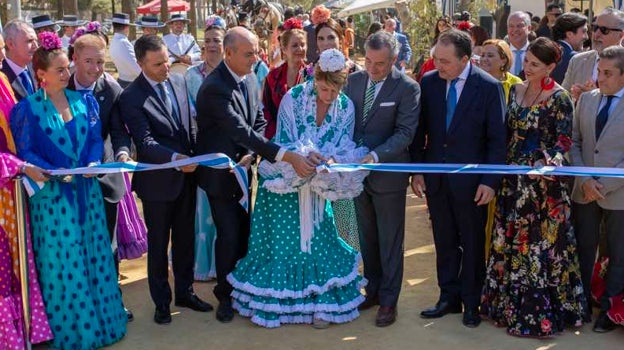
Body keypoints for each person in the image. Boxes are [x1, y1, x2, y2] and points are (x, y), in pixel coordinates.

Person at [228, 48, 368, 329]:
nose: (328, 96)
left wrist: (330, 158)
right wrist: (305, 156)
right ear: (315, 79)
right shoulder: (293, 98)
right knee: (286, 244)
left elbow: (343, 144)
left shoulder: (347, 107)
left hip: (321, 186)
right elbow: (283, 141)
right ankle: (279, 303)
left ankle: (321, 303)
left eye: (334, 91)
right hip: (287, 182)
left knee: (321, 241)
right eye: (324, 88)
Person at [10, 31, 127, 349]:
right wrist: (54, 172)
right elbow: (26, 151)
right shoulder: (26, 110)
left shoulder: (84, 100)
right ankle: (73, 332)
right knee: (64, 263)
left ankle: (105, 323)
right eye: (60, 69)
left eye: (67, 68)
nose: (67, 74)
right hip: (52, 200)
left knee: (94, 255)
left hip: (86, 194)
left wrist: (90, 163)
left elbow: (93, 140)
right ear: (41, 74)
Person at [195, 26, 316, 323]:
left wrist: (255, 152)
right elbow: (239, 130)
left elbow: (258, 121)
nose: (255, 58)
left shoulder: (249, 79)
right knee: (228, 234)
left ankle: (238, 289)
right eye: (249, 54)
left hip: (244, 170)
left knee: (243, 232)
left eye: (256, 52)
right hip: (220, 176)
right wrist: (287, 156)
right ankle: (224, 295)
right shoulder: (214, 88)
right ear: (229, 53)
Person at [482, 37, 587, 337]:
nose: (527, 68)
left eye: (535, 64)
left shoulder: (560, 97)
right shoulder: (513, 90)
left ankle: (540, 314)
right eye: (526, 61)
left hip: (542, 190)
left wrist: (548, 163)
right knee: (509, 243)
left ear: (552, 67)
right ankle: (504, 308)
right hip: (511, 183)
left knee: (540, 249)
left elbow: (563, 141)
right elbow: (504, 134)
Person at [411, 29, 506, 328]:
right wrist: (417, 171)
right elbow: (419, 130)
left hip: (472, 185)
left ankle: (471, 302)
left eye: (446, 61)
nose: (439, 66)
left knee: (473, 242)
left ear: (466, 59)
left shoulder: (489, 87)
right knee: (444, 240)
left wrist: (489, 182)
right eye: (436, 59)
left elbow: (497, 140)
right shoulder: (429, 83)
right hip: (436, 180)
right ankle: (447, 297)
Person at [119, 34, 213, 325]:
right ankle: (161, 302)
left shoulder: (178, 81)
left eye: (166, 60)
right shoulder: (131, 97)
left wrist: (197, 156)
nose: (165, 68)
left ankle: (184, 292)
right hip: (158, 183)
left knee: (185, 240)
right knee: (159, 245)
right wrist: (175, 160)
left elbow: (189, 124)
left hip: (187, 177)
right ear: (140, 63)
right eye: (157, 63)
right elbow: (144, 142)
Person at [344, 31, 420, 327]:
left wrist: (375, 156)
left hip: (387, 174)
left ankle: (389, 301)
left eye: (381, 64)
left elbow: (405, 133)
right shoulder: (354, 80)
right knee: (367, 237)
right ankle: (372, 290)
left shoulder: (408, 88)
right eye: (369, 62)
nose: (373, 69)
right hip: (355, 177)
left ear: (395, 60)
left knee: (390, 241)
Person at [68, 32, 137, 321]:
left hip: (104, 178)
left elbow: (120, 130)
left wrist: (122, 153)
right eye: (88, 62)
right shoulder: (59, 86)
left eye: (100, 62)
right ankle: (79, 306)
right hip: (68, 184)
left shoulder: (111, 89)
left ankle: (112, 303)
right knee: (73, 244)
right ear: (74, 59)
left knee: (106, 244)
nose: (95, 69)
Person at [0, 34, 53, 349]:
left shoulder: (3, 81)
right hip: (9, 181)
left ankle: (23, 331)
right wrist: (18, 166)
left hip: (12, 190)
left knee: (16, 262)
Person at [570, 45, 624, 333]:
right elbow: (574, 142)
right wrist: (586, 180)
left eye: (608, 73)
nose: (600, 78)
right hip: (585, 190)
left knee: (618, 255)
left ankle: (609, 310)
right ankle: (580, 305)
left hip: (619, 196)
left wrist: (605, 185)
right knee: (583, 248)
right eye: (599, 72)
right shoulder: (587, 100)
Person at [301, 16, 361, 250]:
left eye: (331, 37)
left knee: (346, 216)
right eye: (321, 38)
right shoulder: (308, 73)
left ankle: (350, 268)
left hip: (345, 152)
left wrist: (342, 155)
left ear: (342, 39)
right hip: (313, 159)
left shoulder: (357, 73)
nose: (326, 43)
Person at [185, 15, 226, 281]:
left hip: (230, 151)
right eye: (207, 41)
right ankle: (204, 263)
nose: (211, 45)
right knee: (203, 210)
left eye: (217, 41)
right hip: (202, 149)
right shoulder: (191, 75)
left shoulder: (236, 71)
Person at [563, 8, 624, 101]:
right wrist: (575, 97)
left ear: (621, 35)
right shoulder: (577, 60)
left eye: (604, 30)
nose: (596, 34)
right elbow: (563, 97)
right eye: (595, 28)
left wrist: (594, 97)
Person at [262, 18, 306, 140]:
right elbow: (267, 110)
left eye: (303, 45)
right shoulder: (272, 76)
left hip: (306, 137)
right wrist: (274, 136)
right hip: (277, 136)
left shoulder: (313, 75)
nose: (300, 49)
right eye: (295, 45)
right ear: (284, 49)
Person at [1, 20, 38, 101]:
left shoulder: (38, 68)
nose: (36, 46)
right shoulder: (2, 74)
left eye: (36, 40)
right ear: (10, 44)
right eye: (29, 41)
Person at [551, 12, 588, 84]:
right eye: (584, 31)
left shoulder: (544, 51)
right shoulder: (576, 58)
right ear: (569, 34)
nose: (586, 37)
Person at [109, 13, 141, 88]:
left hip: (123, 81)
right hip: (131, 84)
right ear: (127, 27)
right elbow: (137, 69)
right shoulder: (124, 43)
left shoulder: (114, 41)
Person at [507, 11, 531, 77]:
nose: (515, 30)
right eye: (511, 26)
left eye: (519, 26)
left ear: (529, 28)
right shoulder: (501, 53)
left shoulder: (537, 53)